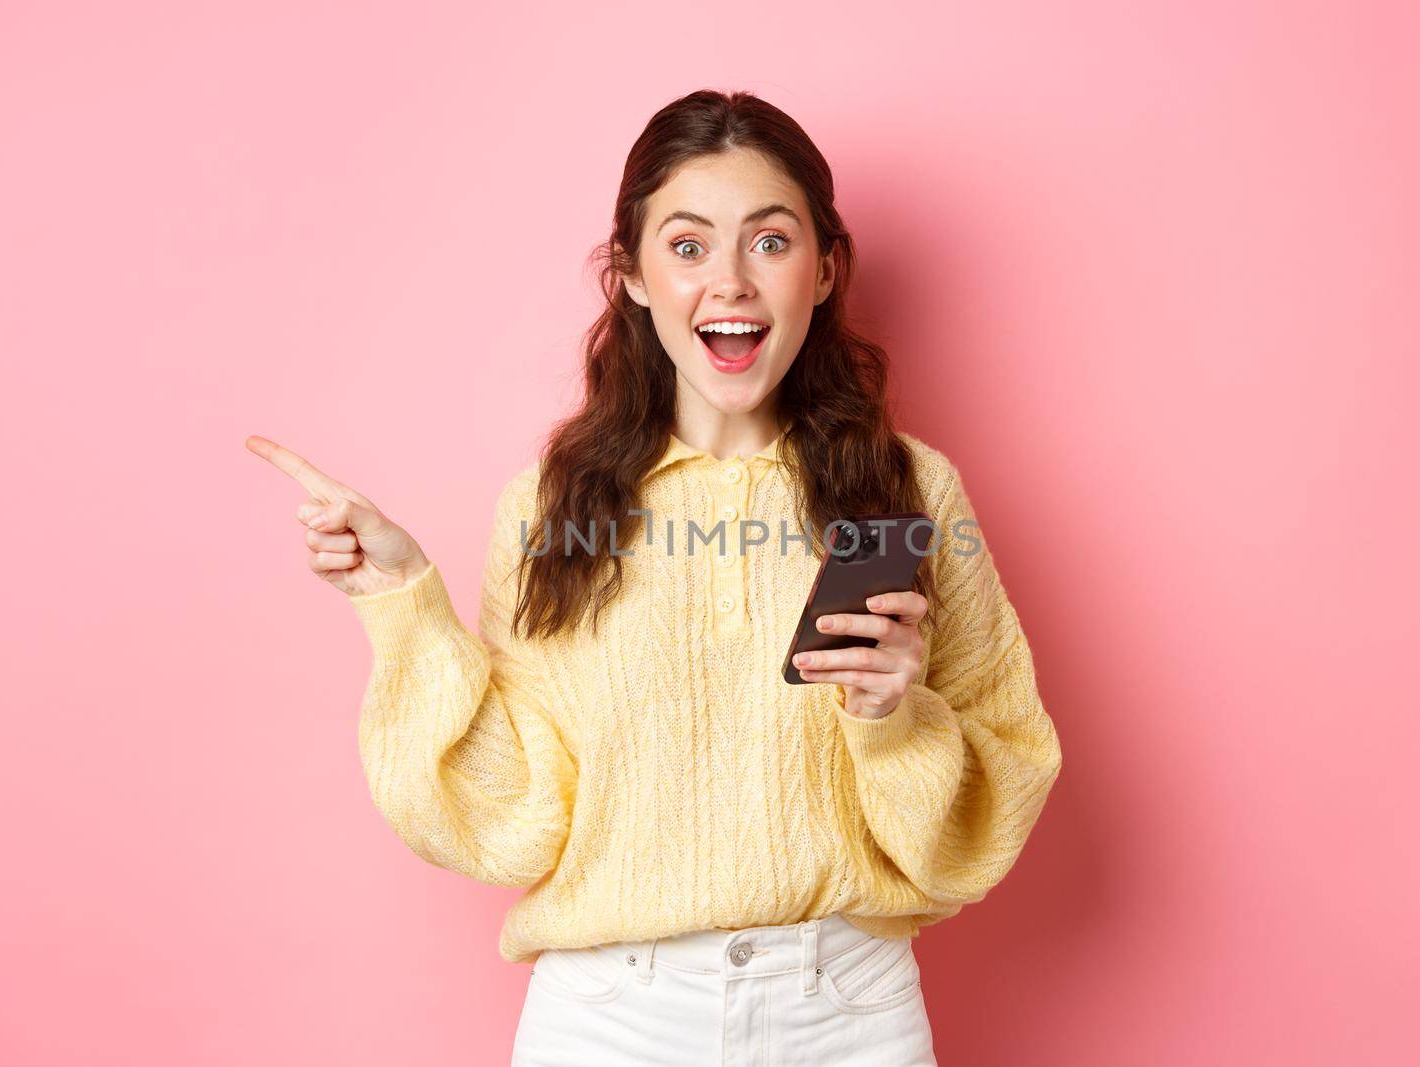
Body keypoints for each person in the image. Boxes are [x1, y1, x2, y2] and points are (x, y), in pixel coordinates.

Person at [247, 88, 1062, 1066]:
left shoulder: (908, 491)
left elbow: (997, 785)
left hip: (844, 1011)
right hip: (609, 1019)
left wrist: (895, 718)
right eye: (685, 246)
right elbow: (517, 811)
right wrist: (404, 597)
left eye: (769, 241)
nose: (729, 282)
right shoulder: (551, 506)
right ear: (631, 275)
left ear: (825, 268)